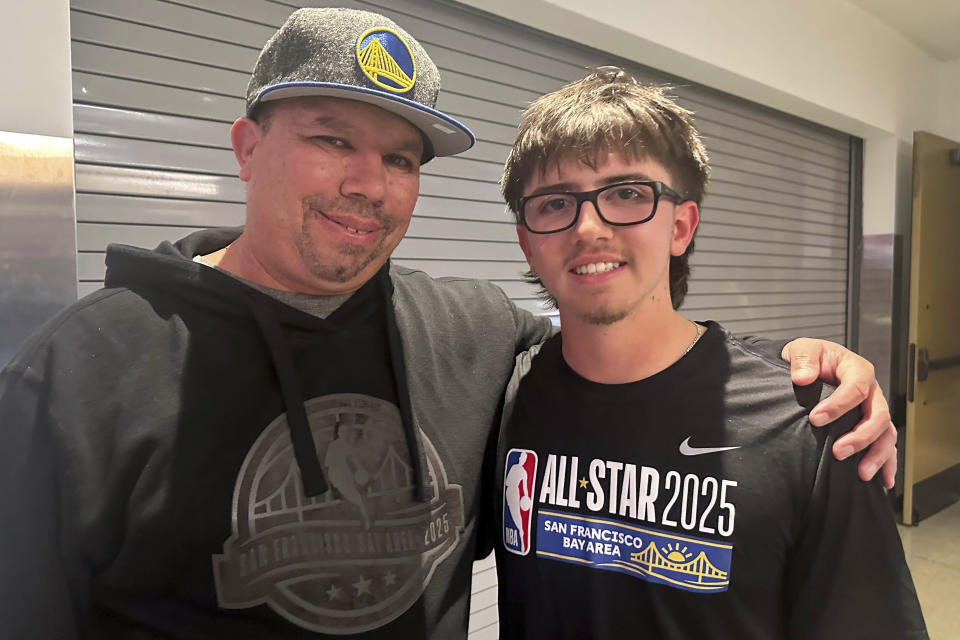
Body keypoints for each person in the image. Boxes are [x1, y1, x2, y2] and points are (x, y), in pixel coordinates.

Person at [0, 8, 894, 640]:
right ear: (246, 145)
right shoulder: (81, 370)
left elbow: (627, 350)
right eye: (331, 138)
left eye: (399, 157)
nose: (369, 181)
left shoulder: (467, 333)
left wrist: (792, 369)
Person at [493, 67, 926, 639]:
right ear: (527, 237)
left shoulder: (811, 422)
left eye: (627, 194)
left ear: (681, 226)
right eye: (553, 203)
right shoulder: (506, 391)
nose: (589, 227)